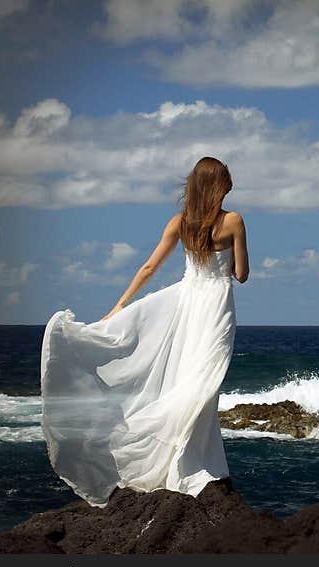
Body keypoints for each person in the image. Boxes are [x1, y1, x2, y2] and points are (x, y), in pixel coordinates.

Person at [40, 156, 249, 507]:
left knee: (189, 381)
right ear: (219, 185)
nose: (231, 184)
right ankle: (193, 468)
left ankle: (185, 465)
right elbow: (241, 275)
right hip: (214, 308)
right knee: (203, 385)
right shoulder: (234, 221)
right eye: (227, 179)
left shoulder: (180, 223)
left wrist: (119, 306)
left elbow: (150, 266)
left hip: (186, 304)